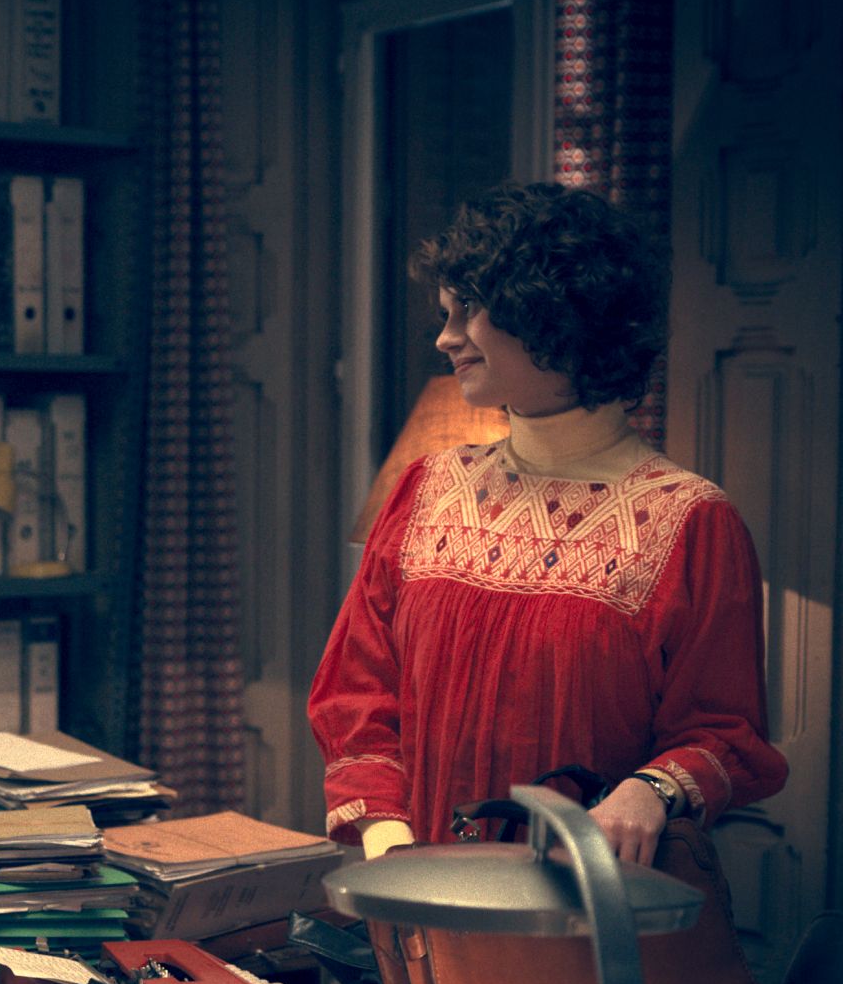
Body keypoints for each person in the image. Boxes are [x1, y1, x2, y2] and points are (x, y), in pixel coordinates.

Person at [308, 182, 788, 865]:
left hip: (584, 902)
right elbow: (358, 693)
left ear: (548, 312)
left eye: (467, 311)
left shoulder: (689, 520)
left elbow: (723, 730)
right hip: (416, 890)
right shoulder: (426, 488)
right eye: (444, 314)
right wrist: (389, 840)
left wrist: (651, 789)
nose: (445, 338)